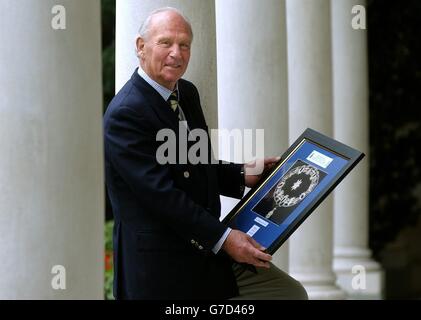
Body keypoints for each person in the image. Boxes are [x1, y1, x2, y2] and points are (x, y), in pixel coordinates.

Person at [103, 7, 308, 300]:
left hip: (203, 252)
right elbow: (162, 196)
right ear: (141, 47)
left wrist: (242, 174)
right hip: (160, 267)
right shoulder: (126, 114)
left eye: (184, 44)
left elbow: (196, 164)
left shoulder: (186, 93)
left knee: (289, 293)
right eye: (166, 42)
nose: (177, 53)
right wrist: (224, 240)